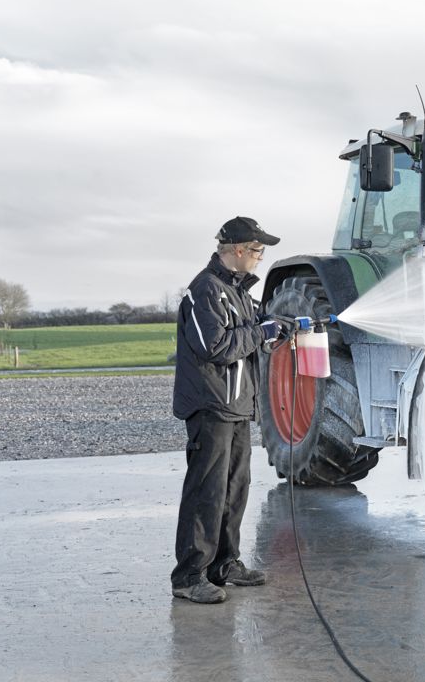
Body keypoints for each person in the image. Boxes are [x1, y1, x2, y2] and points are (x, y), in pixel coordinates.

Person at [170, 216, 284, 604]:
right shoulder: (205, 290)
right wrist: (261, 332)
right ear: (237, 250)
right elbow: (214, 346)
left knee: (235, 488)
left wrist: (275, 327)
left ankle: (224, 564)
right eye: (257, 250)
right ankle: (189, 576)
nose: (260, 257)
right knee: (207, 491)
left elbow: (252, 331)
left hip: (235, 406)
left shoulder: (236, 292)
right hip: (210, 406)